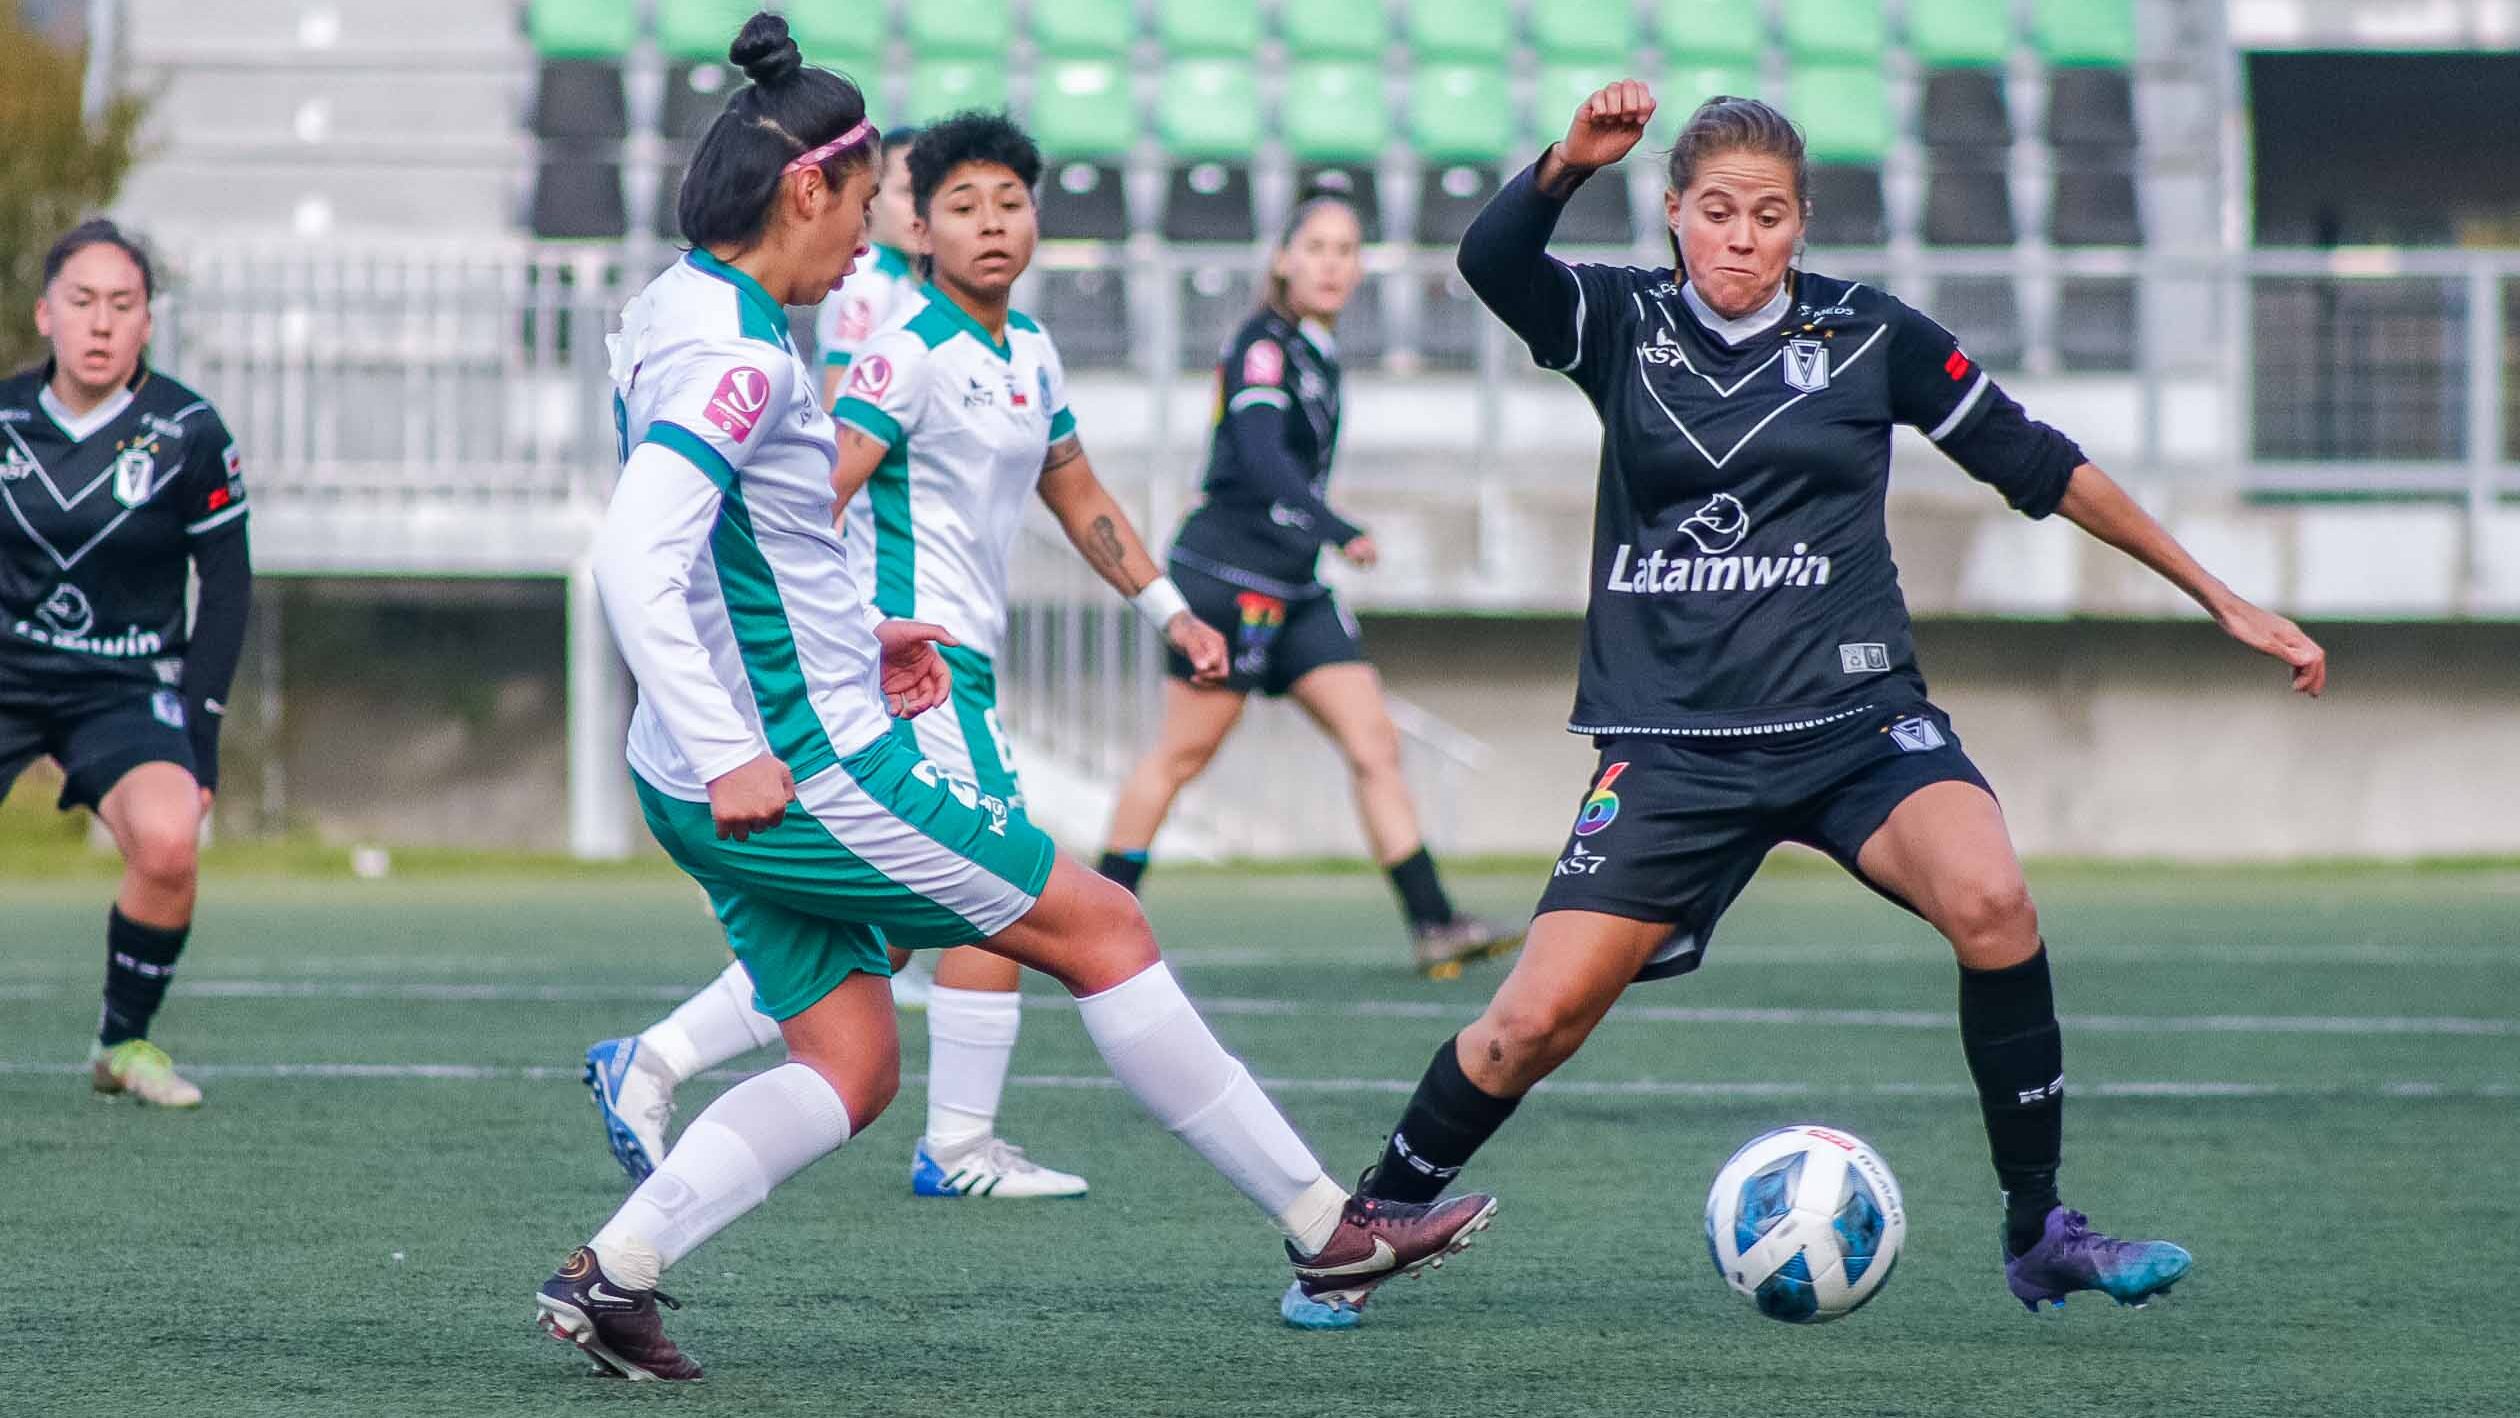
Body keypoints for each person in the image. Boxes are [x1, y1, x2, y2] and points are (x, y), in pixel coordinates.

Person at [535, 15, 1496, 1381]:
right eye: (864, 211)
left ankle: (611, 1274)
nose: (863, 247)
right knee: (1103, 923)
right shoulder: (747, 355)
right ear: (804, 190)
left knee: (856, 1057)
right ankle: (1325, 1228)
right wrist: (737, 738)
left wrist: (861, 629)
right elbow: (634, 554)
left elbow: (737, 547)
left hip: (733, 748)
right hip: (800, 760)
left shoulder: (681, 307)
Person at [1298, 83, 2333, 1329]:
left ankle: (2041, 1228)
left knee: (1995, 899)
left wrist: (2219, 595)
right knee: (1531, 1021)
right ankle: (1361, 1230)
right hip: (1675, 747)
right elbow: (1491, 257)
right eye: (1718, 211)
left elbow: (2038, 461)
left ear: (1803, 227)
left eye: (1770, 215)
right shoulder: (1619, 320)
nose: (1742, 237)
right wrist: (1569, 160)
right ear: (1675, 214)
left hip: (1857, 729)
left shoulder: (1869, 333)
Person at [586, 106, 1236, 1204]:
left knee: (886, 938)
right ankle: (961, 1141)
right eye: (962, 205)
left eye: (1011, 202)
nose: (992, 224)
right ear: (916, 230)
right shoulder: (901, 355)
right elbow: (805, 500)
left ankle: (656, 1061)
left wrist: (1169, 607)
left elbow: (1077, 495)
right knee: (1014, 896)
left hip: (955, 655)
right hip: (900, 670)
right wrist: (825, 644)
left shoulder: (1029, 351)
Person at [1096, 195, 1521, 979]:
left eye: (1346, 249)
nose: (1332, 262)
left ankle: (1434, 923)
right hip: (1230, 580)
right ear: (1283, 259)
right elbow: (1260, 454)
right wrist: (1337, 527)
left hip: (1297, 589)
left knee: (1373, 742)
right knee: (1180, 757)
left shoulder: (1317, 350)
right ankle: (1093, 921)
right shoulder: (1264, 346)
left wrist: (1318, 540)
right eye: (1317, 246)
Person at [0, 219, 253, 1109]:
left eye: (122, 303)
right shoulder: (3, 421)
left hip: (124, 682)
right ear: (45, 315)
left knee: (170, 839)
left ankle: (122, 1042)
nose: (101, 323)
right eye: (82, 302)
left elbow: (224, 592)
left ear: (148, 320)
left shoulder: (187, 432)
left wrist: (203, 741)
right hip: (8, 673)